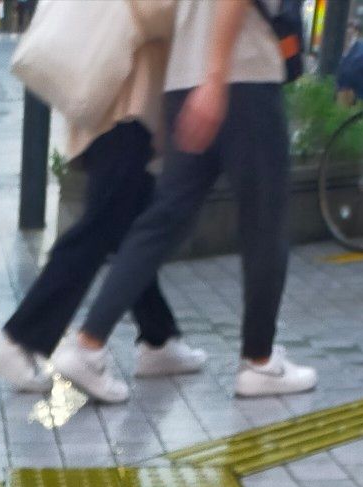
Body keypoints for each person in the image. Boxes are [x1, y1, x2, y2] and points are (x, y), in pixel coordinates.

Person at [60, 0, 317, 403]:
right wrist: (215, 79)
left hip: (184, 81)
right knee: (265, 223)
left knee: (164, 218)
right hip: (241, 76)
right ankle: (260, 361)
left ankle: (87, 346)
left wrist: (191, 87)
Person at [0, 39, 205, 396]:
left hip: (113, 97)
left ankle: (159, 339)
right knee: (99, 230)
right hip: (122, 103)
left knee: (130, 228)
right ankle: (17, 338)